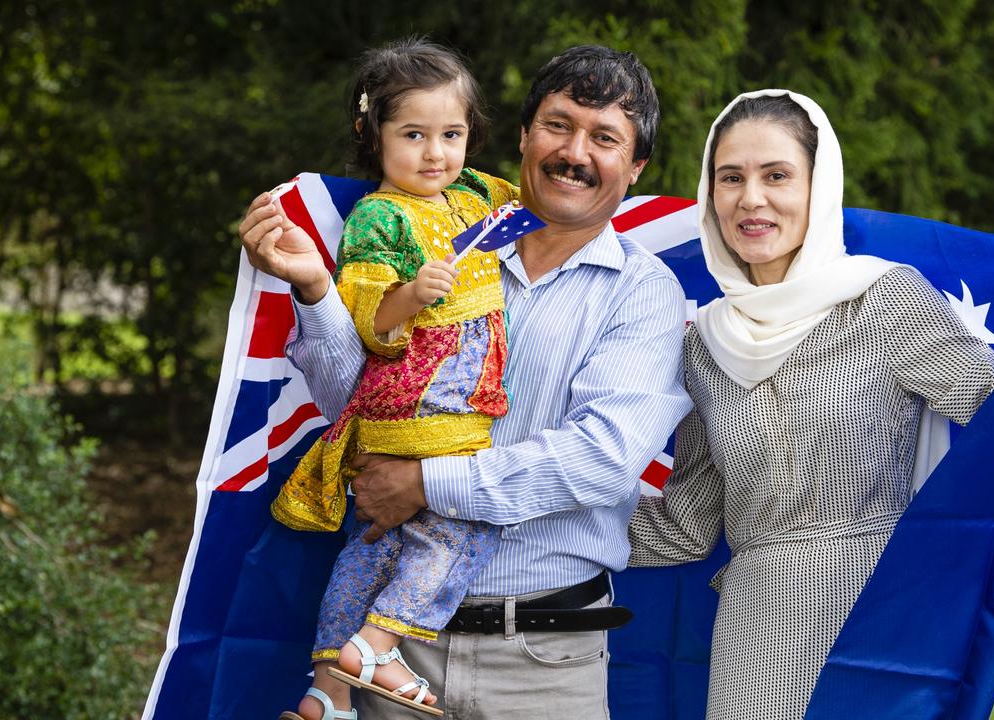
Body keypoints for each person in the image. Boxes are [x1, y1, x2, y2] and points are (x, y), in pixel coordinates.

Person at [239, 45, 692, 720]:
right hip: (390, 657)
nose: (575, 152)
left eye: (605, 138)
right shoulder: (437, 245)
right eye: (558, 125)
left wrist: (423, 484)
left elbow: (603, 460)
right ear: (522, 136)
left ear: (635, 167)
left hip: (544, 662)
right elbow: (354, 403)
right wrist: (314, 290)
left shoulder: (644, 293)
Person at [625, 89, 994, 720]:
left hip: (876, 612)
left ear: (818, 186)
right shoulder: (701, 343)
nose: (751, 198)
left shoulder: (885, 301)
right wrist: (543, 530)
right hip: (755, 633)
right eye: (731, 178)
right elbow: (692, 523)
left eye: (776, 175)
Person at [263, 38, 518, 720]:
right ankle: (377, 646)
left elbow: (533, 208)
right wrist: (413, 293)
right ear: (371, 135)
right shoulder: (380, 216)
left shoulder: (472, 192)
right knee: (464, 524)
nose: (435, 153)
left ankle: (330, 688)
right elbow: (366, 323)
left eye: (452, 134)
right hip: (423, 400)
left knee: (376, 543)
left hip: (436, 406)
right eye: (414, 135)